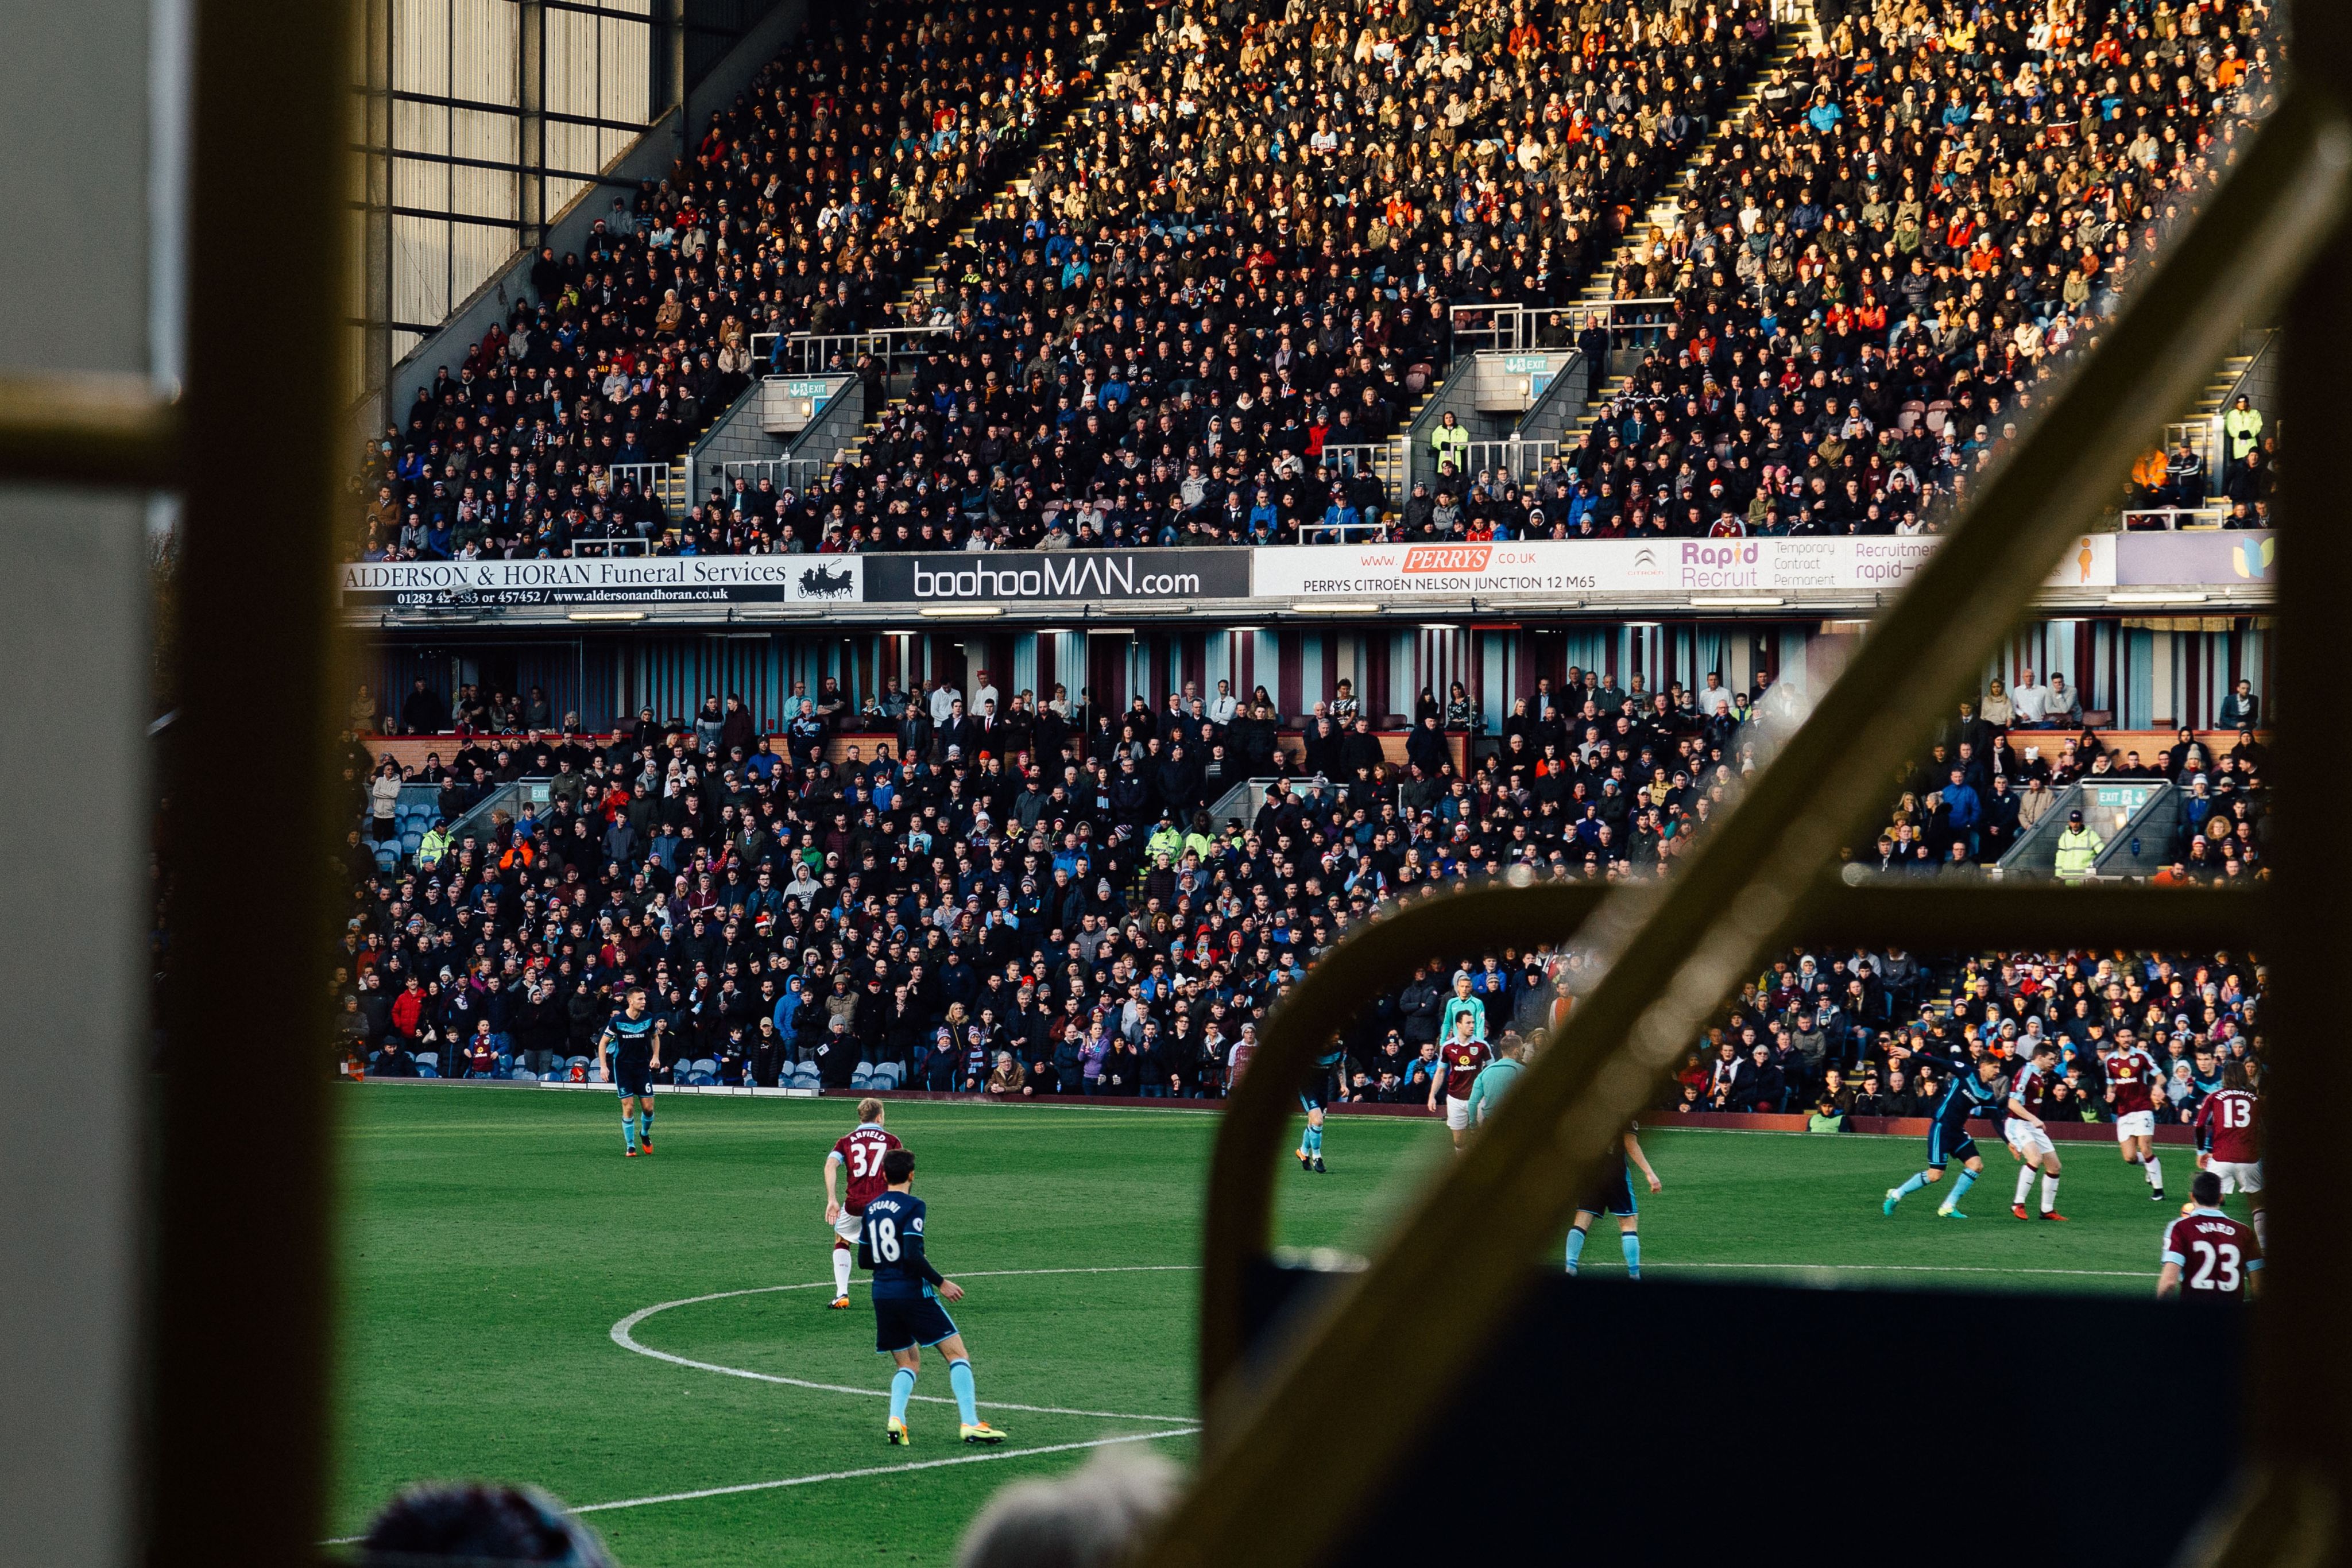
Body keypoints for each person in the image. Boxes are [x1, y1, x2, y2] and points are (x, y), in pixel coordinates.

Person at [861, 1147, 1007, 1446]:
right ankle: (970, 1423)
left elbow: (864, 1259)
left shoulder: (871, 1208)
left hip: (882, 1294)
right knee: (957, 1355)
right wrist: (941, 1283)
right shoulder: (914, 1206)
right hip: (913, 1293)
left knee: (908, 1364)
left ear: (884, 1174)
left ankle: (896, 1420)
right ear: (912, 1175)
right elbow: (913, 1254)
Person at [1883, 1055, 2006, 1218]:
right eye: (1995, 1067)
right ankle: (1897, 1194)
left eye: (1999, 1068)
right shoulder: (1966, 1072)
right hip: (1941, 1127)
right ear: (1983, 1066)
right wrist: (1910, 1055)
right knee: (1935, 1175)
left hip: (1957, 1131)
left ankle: (1948, 1206)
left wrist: (2009, 1142)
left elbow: (1996, 1119)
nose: (1998, 1071)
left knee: (1976, 1165)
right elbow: (1939, 1061)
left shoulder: (1987, 1093)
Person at [823, 1098, 901, 1310]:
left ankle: (842, 1294)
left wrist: (832, 1199)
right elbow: (901, 1173)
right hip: (883, 1205)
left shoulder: (846, 1141)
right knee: (892, 1247)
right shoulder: (892, 1141)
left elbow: (830, 1165)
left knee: (842, 1239)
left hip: (855, 1204)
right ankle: (896, 1295)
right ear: (879, 1117)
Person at [1564, 1125, 1662, 1277]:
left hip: (1591, 1169)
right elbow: (1630, 1143)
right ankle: (1634, 1274)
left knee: (1582, 1219)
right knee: (1628, 1221)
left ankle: (1570, 1266)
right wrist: (1650, 1173)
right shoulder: (1625, 1109)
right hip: (1615, 1171)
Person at [2158, 1171, 2262, 1299]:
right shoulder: (2244, 1232)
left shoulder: (2181, 1228)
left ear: (2192, 1197)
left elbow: (2169, 1283)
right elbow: (2259, 1287)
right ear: (2221, 1198)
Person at [2194, 1062, 2265, 1246]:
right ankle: (2264, 1245)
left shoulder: (2215, 1096)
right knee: (2258, 1205)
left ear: (2225, 1076)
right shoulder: (2255, 1099)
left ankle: (2206, 1241)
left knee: (2207, 1200)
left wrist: (2202, 1151)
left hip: (2221, 1157)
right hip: (2250, 1159)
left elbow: (2201, 1124)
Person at [2002, 1039, 2068, 1221]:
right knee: (2035, 1158)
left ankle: (2047, 1210)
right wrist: (2034, 1119)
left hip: (2032, 1125)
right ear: (2039, 1057)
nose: (2054, 1062)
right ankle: (2018, 1203)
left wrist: (2034, 1121)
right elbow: (2012, 1103)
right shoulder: (2026, 1072)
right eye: (2051, 1058)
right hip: (2017, 1123)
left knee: (2055, 1166)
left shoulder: (2040, 1074)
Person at [596, 985, 664, 1157]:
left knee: (648, 1109)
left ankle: (644, 1134)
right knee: (629, 1107)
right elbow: (603, 1043)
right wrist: (603, 1066)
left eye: (644, 999)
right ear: (630, 1001)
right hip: (623, 1068)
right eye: (640, 999)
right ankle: (631, 1146)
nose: (644, 1002)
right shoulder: (617, 1021)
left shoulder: (648, 1018)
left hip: (642, 1068)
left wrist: (656, 1056)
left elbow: (655, 1037)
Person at [2105, 1029, 2168, 1200]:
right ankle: (2152, 1164)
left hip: (2142, 1108)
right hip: (2124, 1112)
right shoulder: (2110, 1060)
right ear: (2117, 1038)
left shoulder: (2141, 1056)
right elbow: (2111, 1084)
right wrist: (2110, 1094)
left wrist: (2157, 1086)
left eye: (2129, 1036)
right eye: (2123, 1037)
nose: (2127, 1039)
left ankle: (2158, 1191)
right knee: (2130, 1158)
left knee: (2146, 1149)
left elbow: (2161, 1077)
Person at [1428, 1008, 1493, 1150]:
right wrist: (1432, 1096)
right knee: (1459, 1141)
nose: (1472, 1026)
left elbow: (1492, 1070)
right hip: (1455, 1098)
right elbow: (1440, 1072)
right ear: (1458, 1025)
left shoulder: (1482, 1046)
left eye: (1473, 1023)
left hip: (1478, 1098)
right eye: (1468, 1023)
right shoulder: (1448, 1047)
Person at [1294, 1046, 1345, 1174]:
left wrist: (1343, 1085)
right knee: (1318, 1121)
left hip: (1323, 1088)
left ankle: (1303, 1152)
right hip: (1306, 1086)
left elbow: (1340, 1067)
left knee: (1314, 1122)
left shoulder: (1338, 1048)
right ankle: (1317, 1157)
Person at [1464, 1033, 1529, 1125]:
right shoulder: (1522, 1071)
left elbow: (1472, 1103)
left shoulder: (1485, 1072)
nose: (1523, 1052)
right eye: (1523, 1049)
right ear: (1516, 1051)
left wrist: (1473, 1125)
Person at [2052, 808, 2103, 880]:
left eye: (2077, 822)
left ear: (2082, 822)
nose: (2075, 824)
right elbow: (2060, 858)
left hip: (2085, 879)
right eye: (2073, 822)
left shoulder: (2091, 835)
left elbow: (2102, 853)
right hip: (2067, 879)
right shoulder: (2065, 836)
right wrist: (2058, 877)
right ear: (2069, 822)